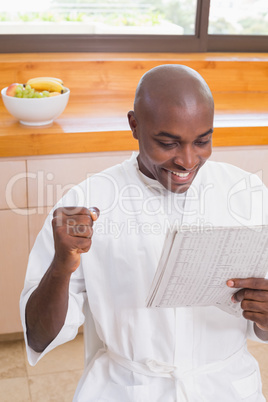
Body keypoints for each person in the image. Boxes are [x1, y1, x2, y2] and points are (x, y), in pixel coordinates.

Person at [20, 64, 268, 401]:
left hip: (225, 388)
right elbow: (38, 336)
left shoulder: (246, 193)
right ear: (134, 125)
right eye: (168, 143)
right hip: (128, 390)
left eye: (203, 141)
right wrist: (61, 266)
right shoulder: (86, 203)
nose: (187, 160)